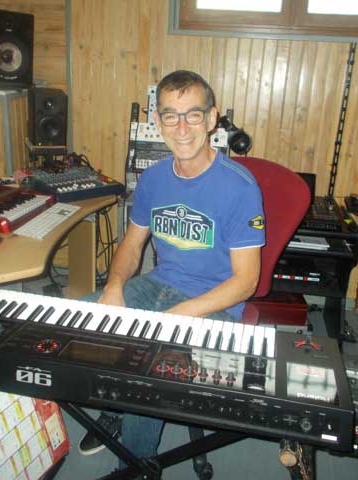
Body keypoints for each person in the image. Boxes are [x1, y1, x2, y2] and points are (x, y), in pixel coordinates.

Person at [78, 70, 266, 464]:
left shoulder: (240, 186)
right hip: (159, 284)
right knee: (80, 321)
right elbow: (132, 244)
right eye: (170, 116)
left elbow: (246, 282)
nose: (181, 128)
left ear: (211, 118)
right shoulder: (153, 178)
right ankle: (115, 408)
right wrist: (114, 287)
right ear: (157, 121)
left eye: (193, 115)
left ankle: (135, 465)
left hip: (214, 303)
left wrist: (179, 314)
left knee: (152, 364)